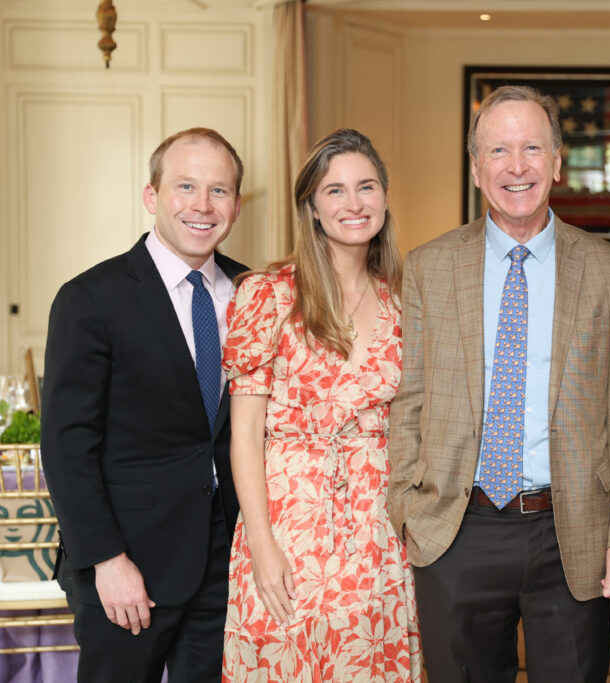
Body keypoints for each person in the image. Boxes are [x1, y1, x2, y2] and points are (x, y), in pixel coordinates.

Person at [387, 84, 610, 682]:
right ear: (476, 166)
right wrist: (407, 507)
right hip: (456, 529)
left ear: (556, 162)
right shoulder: (429, 266)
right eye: (498, 150)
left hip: (571, 533)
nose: (516, 166)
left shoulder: (609, 271)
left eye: (532, 147)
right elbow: (411, 398)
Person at [41, 128, 247, 682]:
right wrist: (106, 561)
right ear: (152, 196)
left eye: (219, 191)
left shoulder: (256, 293)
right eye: (185, 186)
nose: (202, 206)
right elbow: (66, 445)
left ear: (237, 204)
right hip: (128, 565)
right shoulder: (91, 298)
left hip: (229, 561)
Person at [220, 129, 421, 681]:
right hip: (287, 522)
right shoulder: (266, 295)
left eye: (366, 186)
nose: (353, 203)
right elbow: (245, 434)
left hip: (379, 528)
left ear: (384, 197)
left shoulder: (408, 300)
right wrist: (262, 546)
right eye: (334, 190)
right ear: (311, 206)